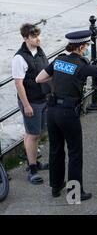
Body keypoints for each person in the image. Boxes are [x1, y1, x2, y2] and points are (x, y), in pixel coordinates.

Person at [36, 30, 97, 201]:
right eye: (87, 46)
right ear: (82, 47)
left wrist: (58, 79)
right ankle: (75, 193)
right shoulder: (82, 65)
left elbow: (39, 79)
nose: (88, 49)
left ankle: (56, 186)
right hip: (68, 112)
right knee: (75, 153)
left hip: (52, 111)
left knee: (56, 149)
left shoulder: (59, 60)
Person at [12, 23, 50, 184]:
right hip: (31, 101)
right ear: (25, 38)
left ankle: (34, 161)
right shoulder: (19, 58)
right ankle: (32, 169)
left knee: (35, 133)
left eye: (38, 35)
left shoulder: (40, 52)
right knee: (33, 134)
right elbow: (19, 83)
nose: (38, 38)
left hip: (43, 98)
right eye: (34, 36)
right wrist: (26, 105)